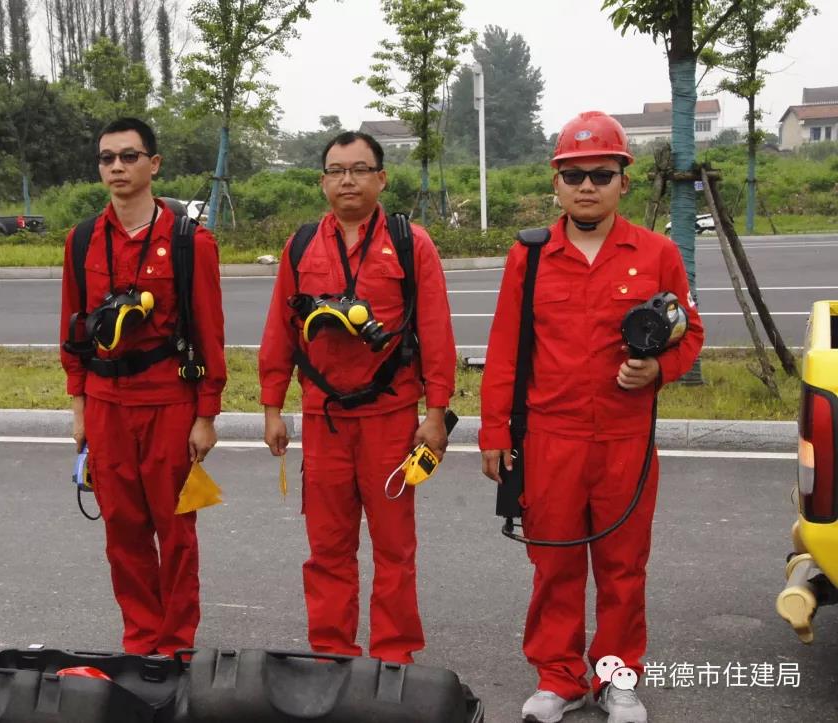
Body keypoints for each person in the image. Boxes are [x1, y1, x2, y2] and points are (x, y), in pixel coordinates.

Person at [480, 111, 704, 723]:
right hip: (550, 436)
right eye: (573, 175)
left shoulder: (656, 253)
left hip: (625, 438)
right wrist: (494, 431)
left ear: (623, 182)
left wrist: (658, 370)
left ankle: (616, 677)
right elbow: (505, 349)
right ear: (556, 183)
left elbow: (690, 332)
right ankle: (559, 677)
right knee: (553, 562)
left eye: (601, 174)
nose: (587, 186)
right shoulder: (529, 255)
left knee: (622, 566)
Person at [258, 131, 457, 664]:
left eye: (360, 169)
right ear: (323, 181)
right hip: (323, 419)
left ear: (381, 178)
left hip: (390, 418)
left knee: (395, 548)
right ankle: (331, 655)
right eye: (337, 170)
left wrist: (435, 414)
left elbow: (436, 332)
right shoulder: (302, 245)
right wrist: (272, 408)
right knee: (328, 547)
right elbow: (280, 330)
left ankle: (394, 657)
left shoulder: (411, 243)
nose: (348, 180)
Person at [59, 117, 226, 656]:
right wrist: (79, 406)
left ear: (153, 165)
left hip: (168, 402)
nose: (117, 167)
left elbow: (209, 332)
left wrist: (206, 415)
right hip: (106, 404)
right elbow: (73, 330)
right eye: (107, 158)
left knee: (175, 532)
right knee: (122, 530)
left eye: (129, 156)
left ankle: (175, 644)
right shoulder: (82, 240)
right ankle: (140, 638)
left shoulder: (190, 242)